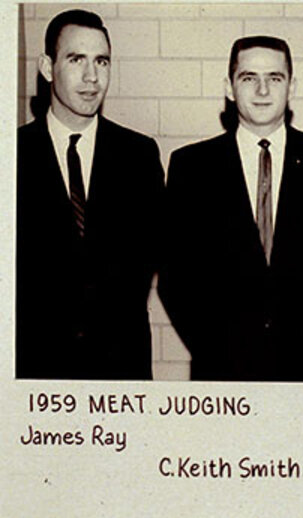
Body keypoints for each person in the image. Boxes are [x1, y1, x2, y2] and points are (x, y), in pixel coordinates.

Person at [158, 36, 303, 381]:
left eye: (275, 78)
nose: (262, 90)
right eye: (249, 78)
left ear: (291, 87)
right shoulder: (191, 166)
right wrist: (218, 346)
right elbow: (175, 278)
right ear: (229, 87)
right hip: (222, 372)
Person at [16, 10, 165, 379]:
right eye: (76, 59)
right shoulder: (12, 154)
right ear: (47, 67)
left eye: (101, 61)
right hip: (36, 372)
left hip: (120, 373)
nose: (91, 77)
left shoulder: (140, 155)